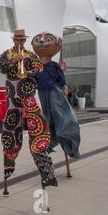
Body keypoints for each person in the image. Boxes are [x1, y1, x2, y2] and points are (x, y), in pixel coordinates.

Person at [0, 29, 58, 194]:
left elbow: (39, 70)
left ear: (24, 41)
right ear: (14, 40)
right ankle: (9, 161)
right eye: (17, 40)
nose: (19, 43)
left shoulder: (30, 54)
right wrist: (12, 62)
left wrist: (27, 69)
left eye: (21, 40)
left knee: (37, 123)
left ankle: (45, 167)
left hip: (28, 91)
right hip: (12, 92)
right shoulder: (6, 54)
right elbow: (1, 67)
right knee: (10, 127)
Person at [32, 32, 81, 177]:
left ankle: (66, 135)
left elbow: (62, 78)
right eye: (38, 39)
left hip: (54, 90)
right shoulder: (36, 66)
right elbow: (33, 78)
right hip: (42, 92)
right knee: (47, 117)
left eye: (47, 39)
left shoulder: (53, 65)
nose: (42, 41)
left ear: (57, 45)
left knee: (59, 112)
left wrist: (64, 87)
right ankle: (51, 137)